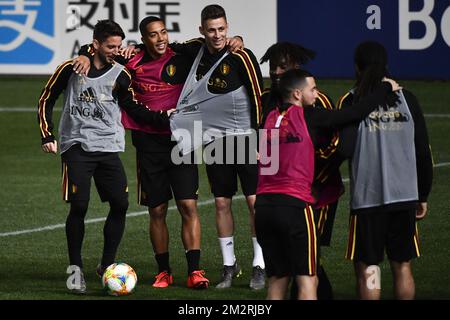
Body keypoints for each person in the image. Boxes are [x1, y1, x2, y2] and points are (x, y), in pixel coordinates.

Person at [74, 17, 244, 289]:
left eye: (163, 32)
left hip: (182, 140)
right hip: (148, 145)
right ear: (144, 39)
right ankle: (163, 271)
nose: (160, 38)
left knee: (188, 205)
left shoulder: (184, 56)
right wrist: (83, 54)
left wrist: (237, 42)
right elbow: (100, 49)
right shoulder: (132, 61)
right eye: (153, 35)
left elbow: (213, 46)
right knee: (158, 210)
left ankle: (195, 270)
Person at [37, 20, 171, 294]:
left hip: (109, 148)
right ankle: (75, 270)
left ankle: (106, 265)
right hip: (77, 147)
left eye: (118, 46)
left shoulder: (122, 75)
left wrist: (163, 119)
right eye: (110, 46)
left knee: (120, 205)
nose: (115, 50)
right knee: (80, 206)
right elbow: (46, 98)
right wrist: (47, 134)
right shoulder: (71, 68)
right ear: (95, 44)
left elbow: (132, 107)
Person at [255, 68, 400, 299]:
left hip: (262, 208)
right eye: (312, 89)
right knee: (307, 279)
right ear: (296, 94)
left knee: (277, 279)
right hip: (294, 207)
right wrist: (386, 87)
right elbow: (354, 113)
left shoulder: (269, 118)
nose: (316, 94)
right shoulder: (310, 116)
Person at [170, 4, 266, 290]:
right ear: (202, 30)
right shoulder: (195, 51)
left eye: (222, 29)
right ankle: (228, 265)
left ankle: (259, 265)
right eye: (211, 30)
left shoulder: (242, 56)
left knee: (253, 203)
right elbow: (166, 46)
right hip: (214, 140)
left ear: (228, 27)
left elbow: (258, 97)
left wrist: (260, 139)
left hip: (246, 137)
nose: (217, 35)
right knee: (222, 202)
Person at [338, 41, 433, 300]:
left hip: (368, 199)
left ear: (357, 67)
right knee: (402, 266)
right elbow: (423, 151)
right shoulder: (407, 99)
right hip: (404, 198)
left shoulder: (352, 100)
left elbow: (343, 148)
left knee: (370, 268)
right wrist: (422, 194)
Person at [260, 42, 343, 299]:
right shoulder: (265, 100)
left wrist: (311, 178)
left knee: (307, 256)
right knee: (301, 257)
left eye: (282, 67)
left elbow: (336, 146)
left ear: (295, 69)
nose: (275, 72)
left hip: (318, 190)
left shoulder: (318, 101)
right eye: (273, 67)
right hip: (283, 193)